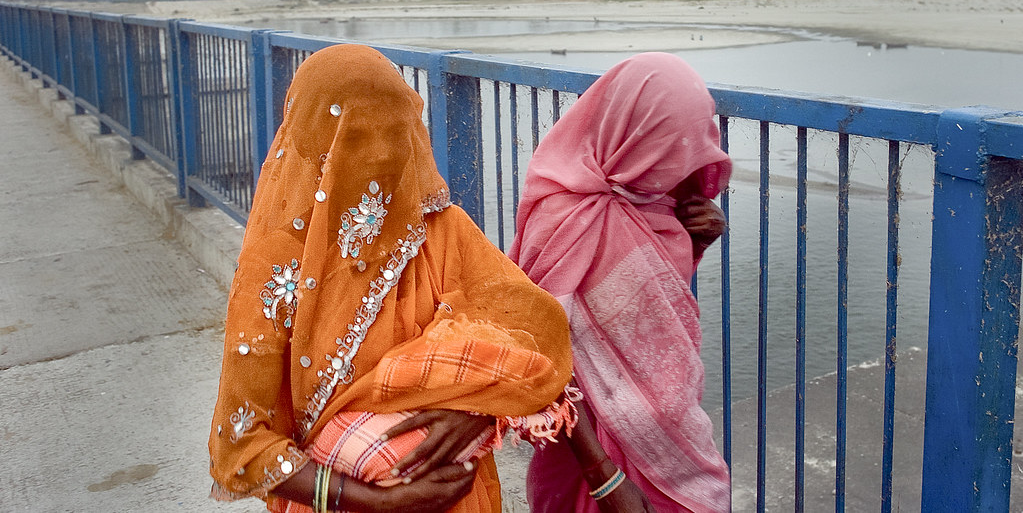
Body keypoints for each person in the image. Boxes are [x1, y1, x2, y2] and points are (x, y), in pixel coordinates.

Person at [209, 44, 575, 513]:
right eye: (357, 138)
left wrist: (477, 410)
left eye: (394, 131)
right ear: (310, 141)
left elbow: (535, 334)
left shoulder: (443, 231)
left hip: (458, 496)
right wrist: (372, 500)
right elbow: (239, 445)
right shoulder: (277, 267)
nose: (383, 154)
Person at [508, 52, 732, 513]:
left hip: (671, 436)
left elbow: (648, 303)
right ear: (636, 139)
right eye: (672, 147)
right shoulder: (564, 219)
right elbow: (540, 356)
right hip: (586, 453)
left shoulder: (654, 204)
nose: (684, 164)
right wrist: (604, 479)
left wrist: (697, 239)